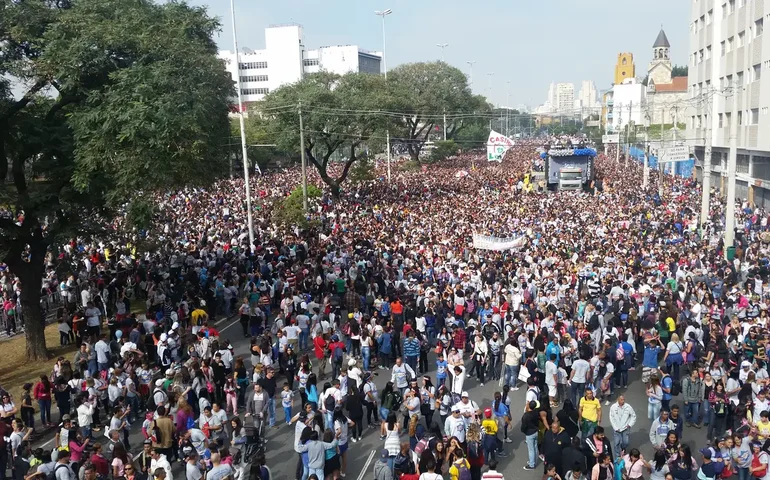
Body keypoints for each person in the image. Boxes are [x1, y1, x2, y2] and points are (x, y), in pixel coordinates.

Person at [609, 395, 636, 460]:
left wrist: (629, 424)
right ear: (618, 400)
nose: (623, 401)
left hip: (625, 428)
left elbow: (633, 416)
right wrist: (615, 427)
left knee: (626, 442)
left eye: (624, 399)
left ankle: (623, 448)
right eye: (621, 400)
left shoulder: (628, 407)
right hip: (616, 429)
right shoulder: (613, 407)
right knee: (616, 443)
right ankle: (618, 457)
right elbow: (611, 417)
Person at [521, 400, 540, 471]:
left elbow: (523, 426)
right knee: (535, 447)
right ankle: (533, 461)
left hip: (529, 433)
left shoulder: (526, 416)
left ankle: (532, 464)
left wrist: (523, 431)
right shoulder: (535, 412)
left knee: (531, 449)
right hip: (535, 431)